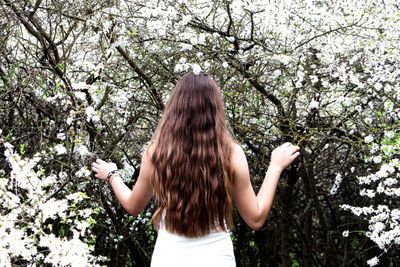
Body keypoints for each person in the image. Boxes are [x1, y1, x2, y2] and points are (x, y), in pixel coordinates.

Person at [91, 72, 300, 266]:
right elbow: (255, 218)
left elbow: (133, 206)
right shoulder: (231, 154)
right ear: (214, 108)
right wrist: (275, 166)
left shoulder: (156, 153)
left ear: (175, 107)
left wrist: (112, 175)